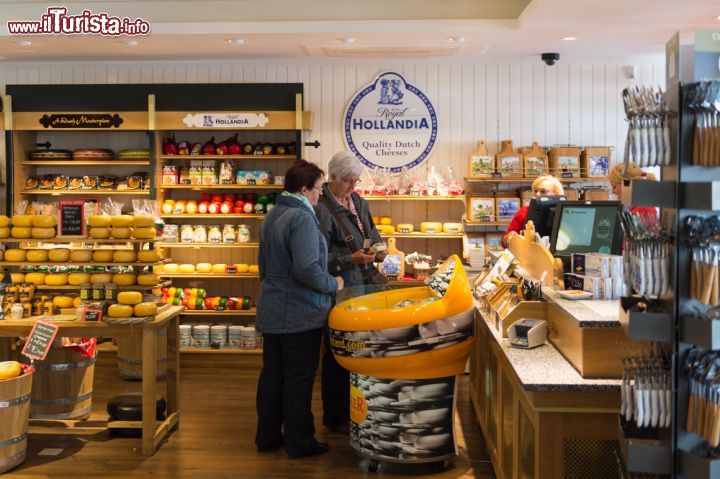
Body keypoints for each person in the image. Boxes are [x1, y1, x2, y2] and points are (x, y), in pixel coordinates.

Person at [255, 159, 344, 459]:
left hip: (272, 309)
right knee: (299, 378)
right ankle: (300, 442)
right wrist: (334, 283)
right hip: (300, 314)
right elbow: (307, 269)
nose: (321, 195)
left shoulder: (273, 216)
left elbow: (263, 270)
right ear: (305, 189)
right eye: (319, 189)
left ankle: (267, 435)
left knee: (273, 375)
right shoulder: (303, 219)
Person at [315, 150, 385, 434]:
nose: (353, 187)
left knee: (362, 350)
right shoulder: (321, 209)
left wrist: (379, 249)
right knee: (337, 353)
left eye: (356, 181)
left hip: (366, 286)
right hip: (341, 290)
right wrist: (349, 259)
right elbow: (318, 255)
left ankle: (360, 406)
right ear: (332, 178)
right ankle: (336, 415)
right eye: (348, 181)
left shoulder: (358, 201)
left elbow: (373, 233)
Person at [502, 175, 565, 248]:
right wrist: (509, 237)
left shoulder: (564, 212)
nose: (537, 194)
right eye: (535, 191)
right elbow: (504, 241)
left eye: (543, 191)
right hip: (527, 253)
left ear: (556, 194)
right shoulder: (524, 211)